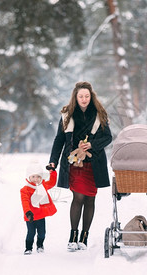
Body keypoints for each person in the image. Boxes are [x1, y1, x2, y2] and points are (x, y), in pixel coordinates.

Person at [49, 81, 112, 251]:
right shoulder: (67, 115)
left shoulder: (100, 114)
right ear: (75, 98)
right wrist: (53, 160)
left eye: (86, 96)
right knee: (78, 197)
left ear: (91, 97)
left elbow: (108, 137)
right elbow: (59, 140)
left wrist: (92, 144)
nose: (84, 99)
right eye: (81, 96)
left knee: (90, 198)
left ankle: (84, 237)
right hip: (74, 163)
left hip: (94, 163)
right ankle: (73, 235)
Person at [20, 160, 57, 255]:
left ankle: (40, 245)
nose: (36, 179)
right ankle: (28, 248)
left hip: (41, 215)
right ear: (29, 177)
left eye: (38, 176)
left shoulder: (43, 185)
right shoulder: (25, 190)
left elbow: (52, 182)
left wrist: (52, 172)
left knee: (42, 233)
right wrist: (28, 212)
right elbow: (25, 202)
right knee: (31, 233)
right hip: (30, 216)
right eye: (33, 176)